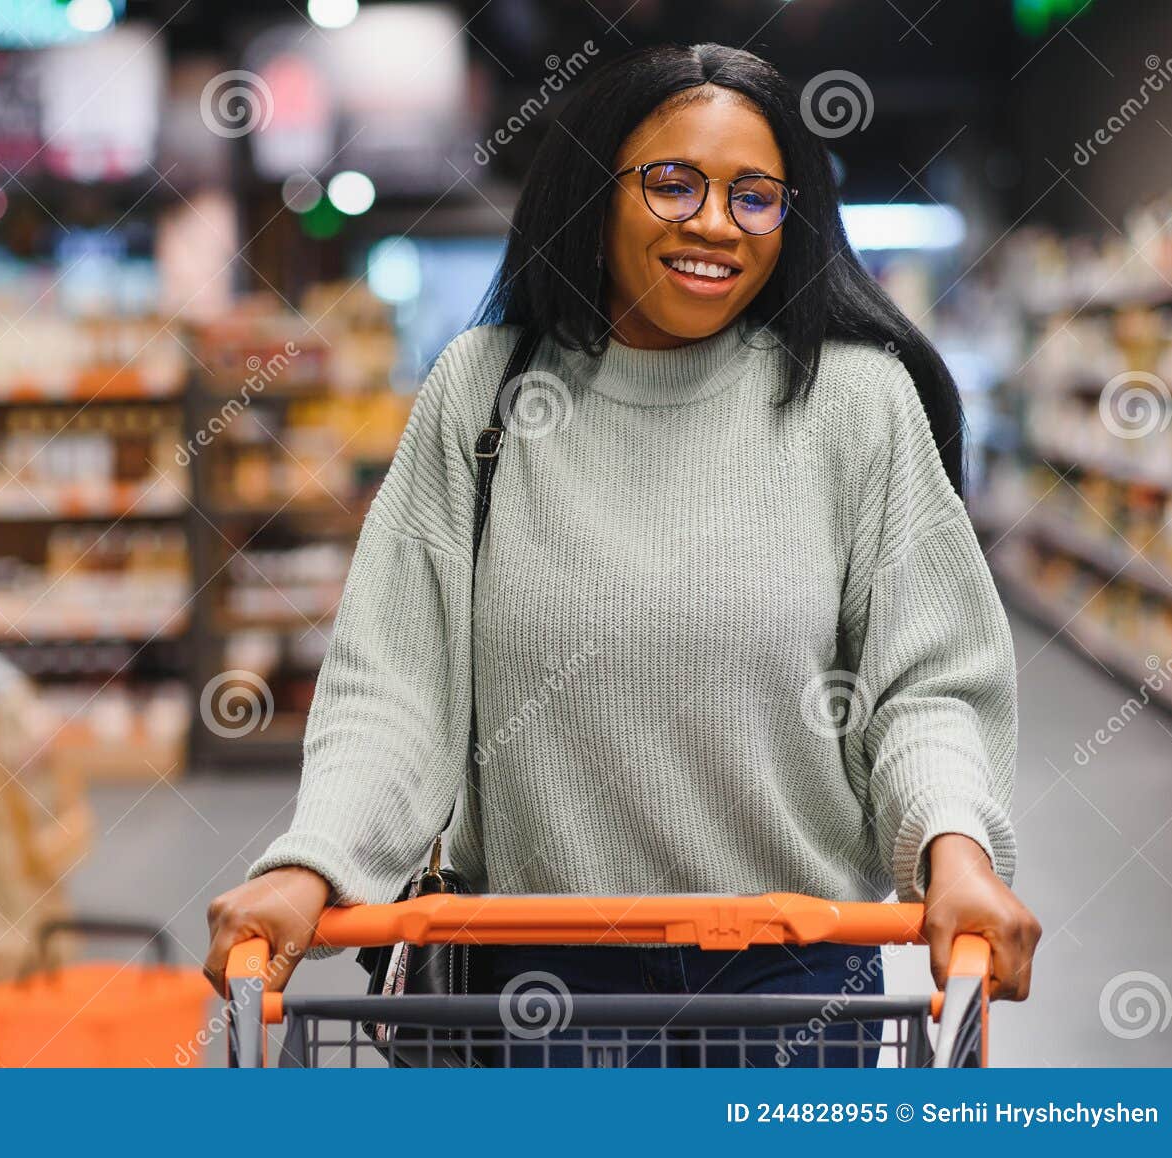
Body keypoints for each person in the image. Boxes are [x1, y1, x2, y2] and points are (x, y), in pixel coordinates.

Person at [204, 42, 1040, 1066]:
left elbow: (927, 684)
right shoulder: (487, 392)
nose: (713, 224)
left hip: (790, 986)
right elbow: (396, 687)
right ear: (594, 192)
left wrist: (954, 854)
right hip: (518, 984)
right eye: (672, 183)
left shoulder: (853, 404)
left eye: (754, 196)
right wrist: (312, 865)